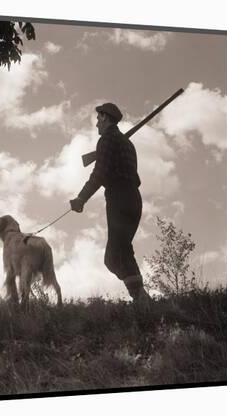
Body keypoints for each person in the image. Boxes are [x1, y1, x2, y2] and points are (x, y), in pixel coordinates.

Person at [69, 103, 151, 307]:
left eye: (98, 118)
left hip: (119, 200)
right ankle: (142, 300)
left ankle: (142, 300)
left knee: (115, 256)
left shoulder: (106, 140)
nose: (96, 123)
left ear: (105, 118)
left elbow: (100, 173)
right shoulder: (125, 143)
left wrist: (81, 198)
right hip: (133, 199)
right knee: (121, 253)